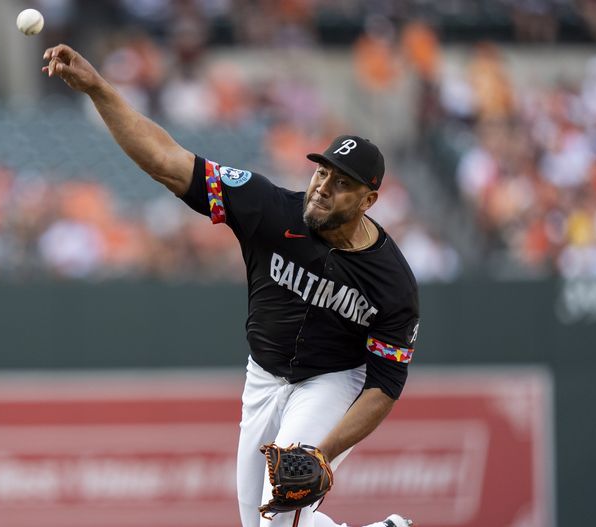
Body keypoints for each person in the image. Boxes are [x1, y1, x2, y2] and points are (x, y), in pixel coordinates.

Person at [43, 44, 418, 527]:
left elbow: (384, 387)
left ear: (369, 199)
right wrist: (99, 89)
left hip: (332, 380)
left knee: (280, 515)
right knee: (261, 523)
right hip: (262, 375)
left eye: (341, 182)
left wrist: (322, 455)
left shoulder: (392, 282)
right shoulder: (270, 208)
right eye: (321, 171)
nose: (323, 185)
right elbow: (165, 160)